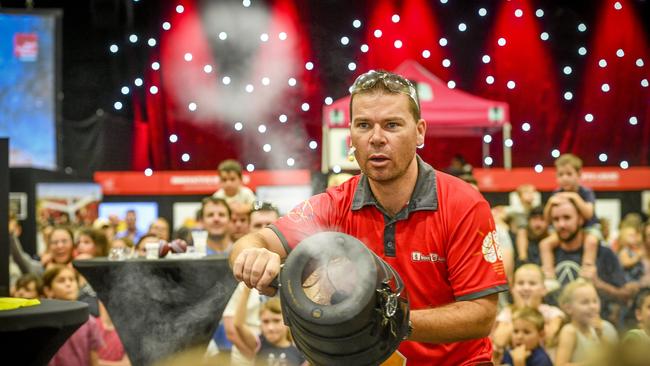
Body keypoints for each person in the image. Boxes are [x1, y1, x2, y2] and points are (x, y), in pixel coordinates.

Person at [230, 69, 508, 365]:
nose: (376, 138)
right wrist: (252, 257)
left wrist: (388, 322)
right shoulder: (336, 204)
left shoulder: (463, 203)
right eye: (364, 125)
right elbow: (253, 241)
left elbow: (482, 315)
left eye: (392, 125)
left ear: (419, 132)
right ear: (351, 136)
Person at [548, 198, 635, 321]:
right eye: (556, 219)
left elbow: (625, 296)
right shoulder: (547, 252)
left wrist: (599, 284)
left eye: (567, 218)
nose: (561, 224)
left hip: (597, 330)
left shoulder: (603, 253)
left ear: (580, 219)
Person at [538, 154, 600, 280]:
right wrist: (550, 203)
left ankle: (586, 273)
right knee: (545, 244)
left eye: (569, 174)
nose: (564, 178)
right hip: (565, 232)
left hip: (589, 229)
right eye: (561, 175)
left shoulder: (585, 192)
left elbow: (589, 214)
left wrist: (574, 197)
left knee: (591, 242)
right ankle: (549, 275)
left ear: (579, 174)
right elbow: (547, 219)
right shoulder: (557, 193)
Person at [492, 264, 564, 356]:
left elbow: (550, 337)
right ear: (512, 289)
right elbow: (500, 341)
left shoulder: (552, 313)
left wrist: (528, 311)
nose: (526, 288)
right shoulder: (507, 312)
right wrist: (522, 311)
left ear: (544, 290)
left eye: (532, 283)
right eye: (520, 283)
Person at [44, 265, 103, 366]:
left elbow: (94, 361)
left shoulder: (89, 321)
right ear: (48, 291)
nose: (68, 284)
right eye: (61, 280)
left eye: (72, 279)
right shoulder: (44, 322)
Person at [233, 290, 306, 366]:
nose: (270, 327)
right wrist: (246, 291)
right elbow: (238, 325)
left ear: (287, 321)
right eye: (265, 321)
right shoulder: (258, 344)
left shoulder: (300, 352)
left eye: (276, 321)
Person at [555, 280, 618, 366]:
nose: (592, 307)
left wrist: (600, 335)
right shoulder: (569, 331)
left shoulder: (606, 327)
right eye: (585, 302)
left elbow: (616, 359)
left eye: (595, 301)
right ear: (568, 308)